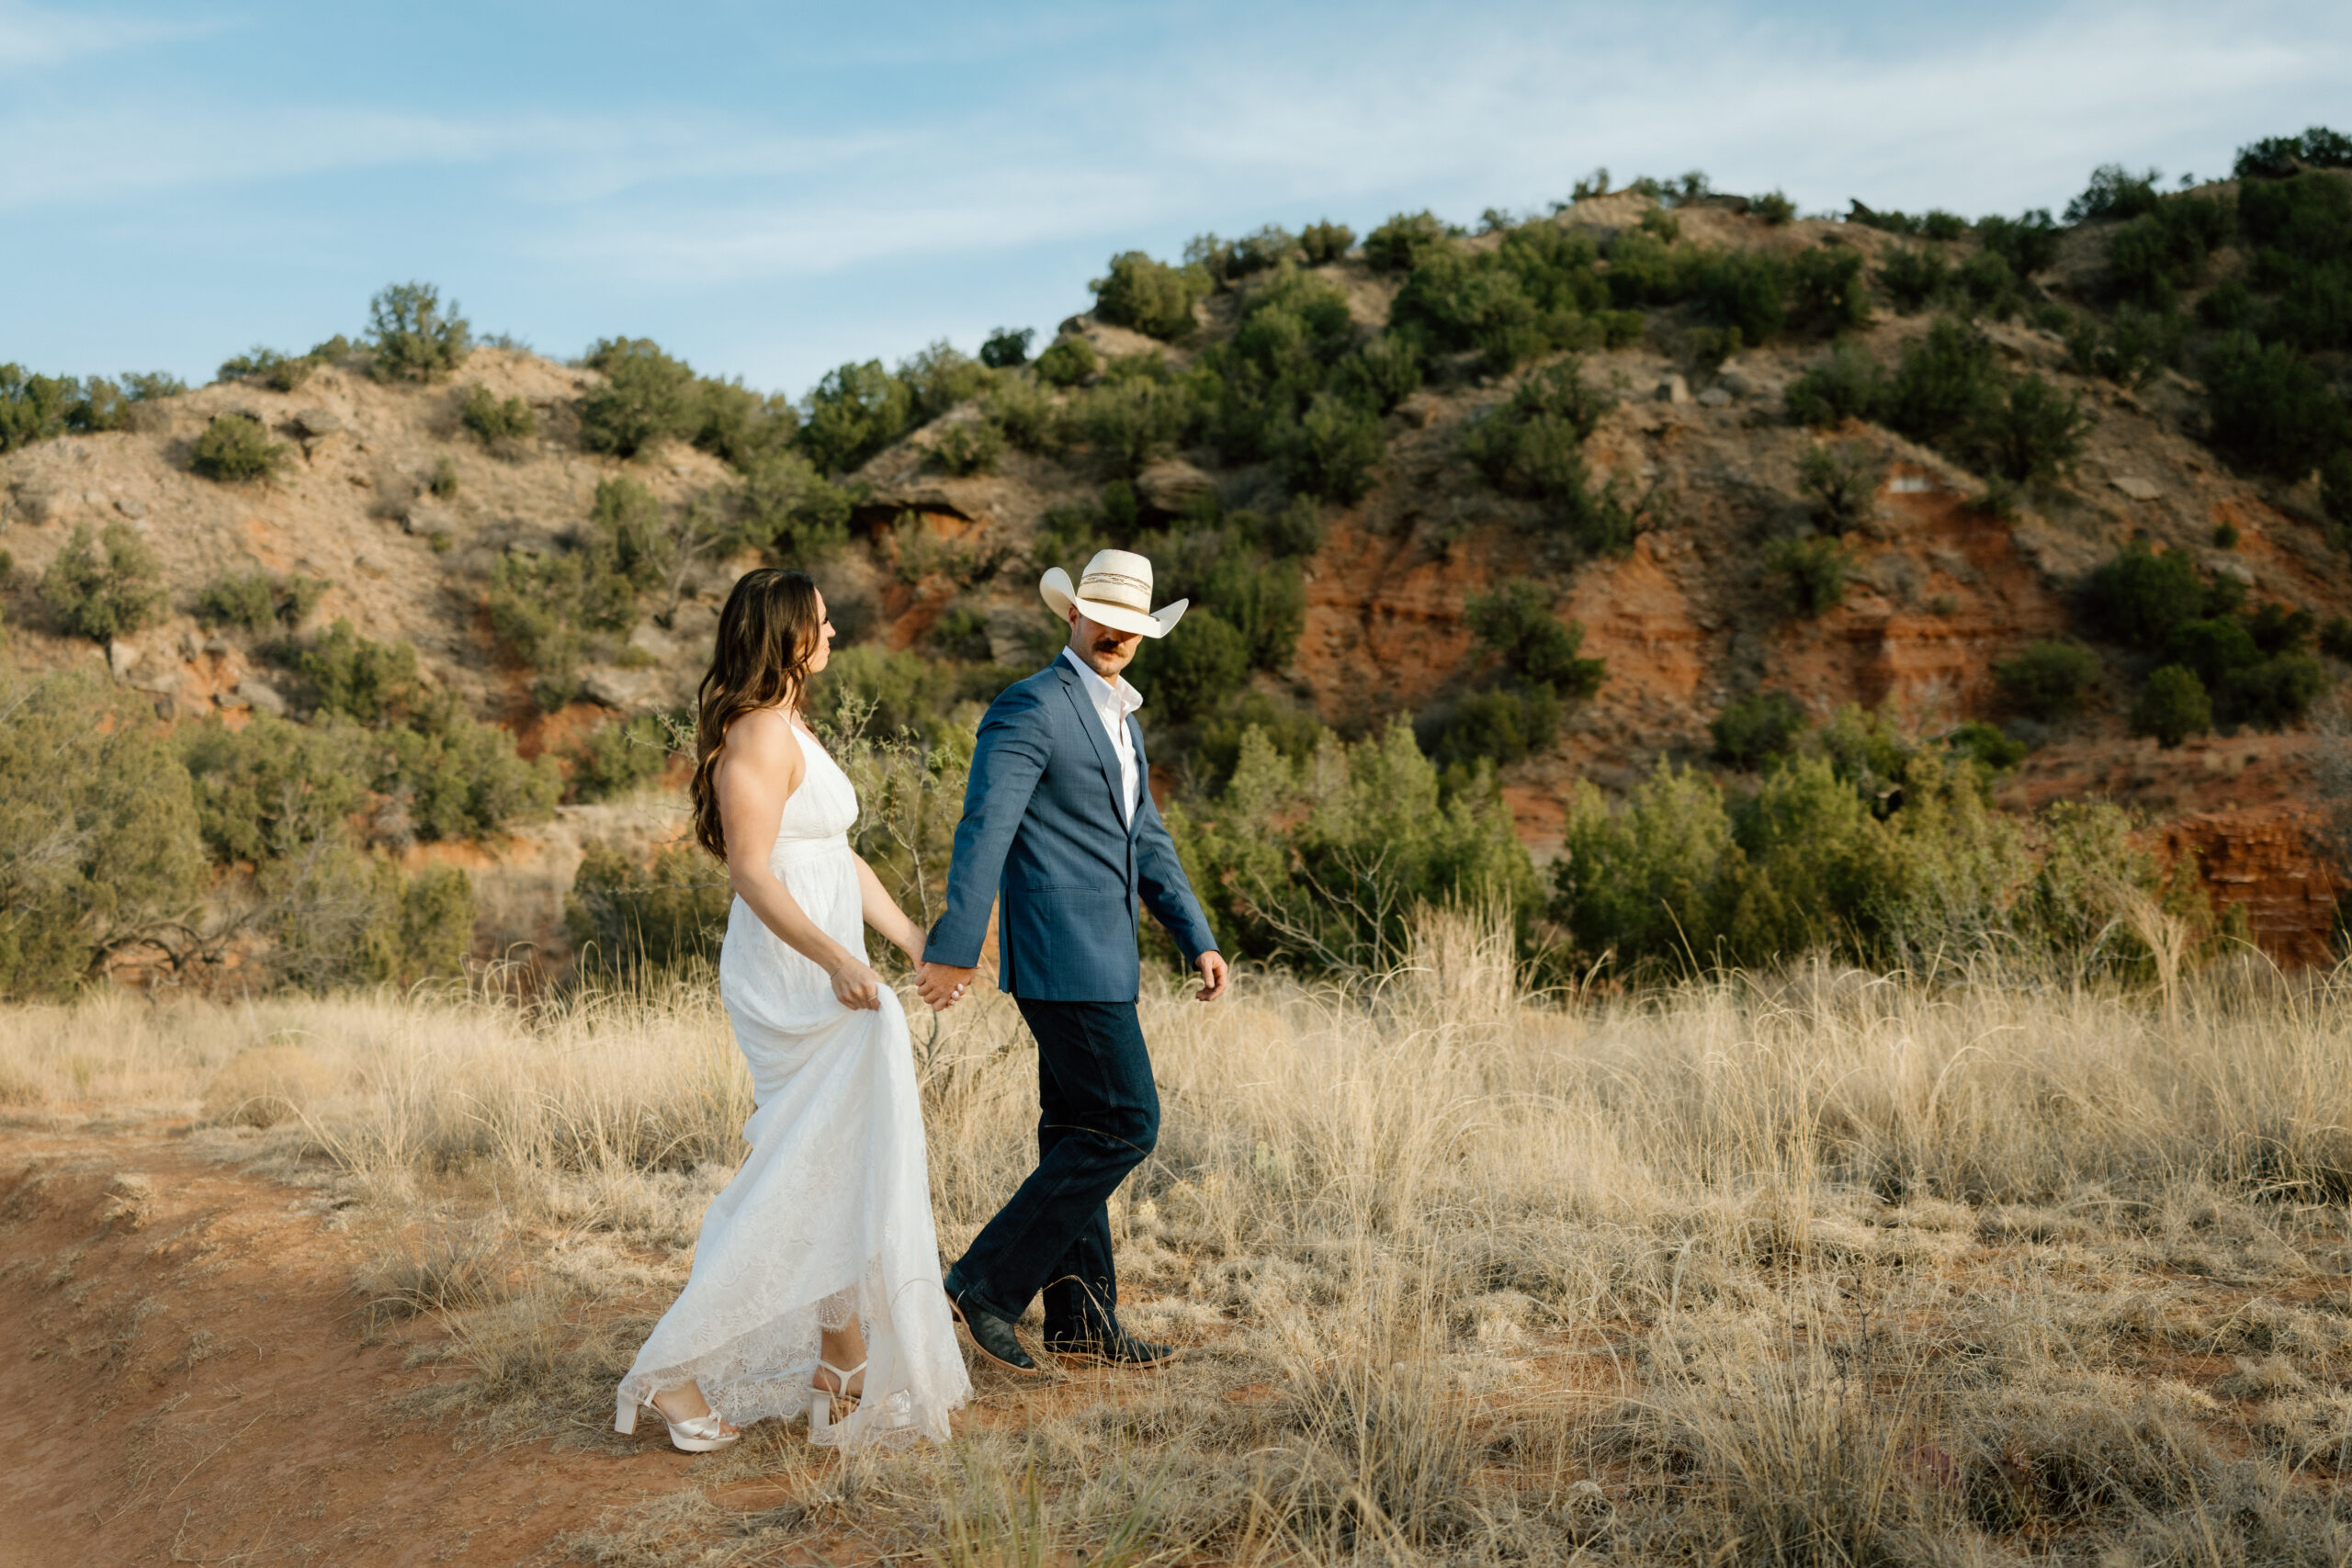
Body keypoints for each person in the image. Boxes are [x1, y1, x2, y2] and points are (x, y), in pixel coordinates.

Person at [615, 568, 970, 1452]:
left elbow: (837, 858)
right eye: (821, 621)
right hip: (790, 970)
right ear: (786, 632)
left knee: (842, 1159)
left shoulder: (795, 725)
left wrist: (912, 942)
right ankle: (670, 1370)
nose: (834, 632)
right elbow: (753, 871)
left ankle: (840, 1357)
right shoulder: (757, 735)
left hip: (830, 957)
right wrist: (837, 958)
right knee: (799, 1165)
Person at [916, 548, 1229, 1373]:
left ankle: (1083, 1318)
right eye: (1105, 620)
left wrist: (1194, 932)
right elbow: (985, 828)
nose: (1117, 636)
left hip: (1108, 957)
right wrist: (955, 947)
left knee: (1077, 1128)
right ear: (1072, 615)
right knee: (1129, 1122)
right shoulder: (1031, 707)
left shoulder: (1123, 719)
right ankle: (981, 1282)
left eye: (1132, 626)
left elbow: (1146, 839)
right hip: (1059, 956)